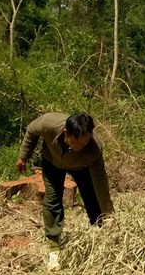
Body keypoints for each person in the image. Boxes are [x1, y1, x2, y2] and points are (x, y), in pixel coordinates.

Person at [15, 112, 113, 270]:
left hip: (82, 168)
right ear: (66, 133)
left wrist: (108, 213)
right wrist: (23, 156)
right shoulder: (48, 123)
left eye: (85, 142)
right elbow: (32, 131)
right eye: (76, 143)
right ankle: (54, 247)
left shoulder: (94, 148)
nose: (80, 147)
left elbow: (100, 181)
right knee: (52, 201)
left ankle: (99, 236)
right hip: (52, 162)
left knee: (92, 198)